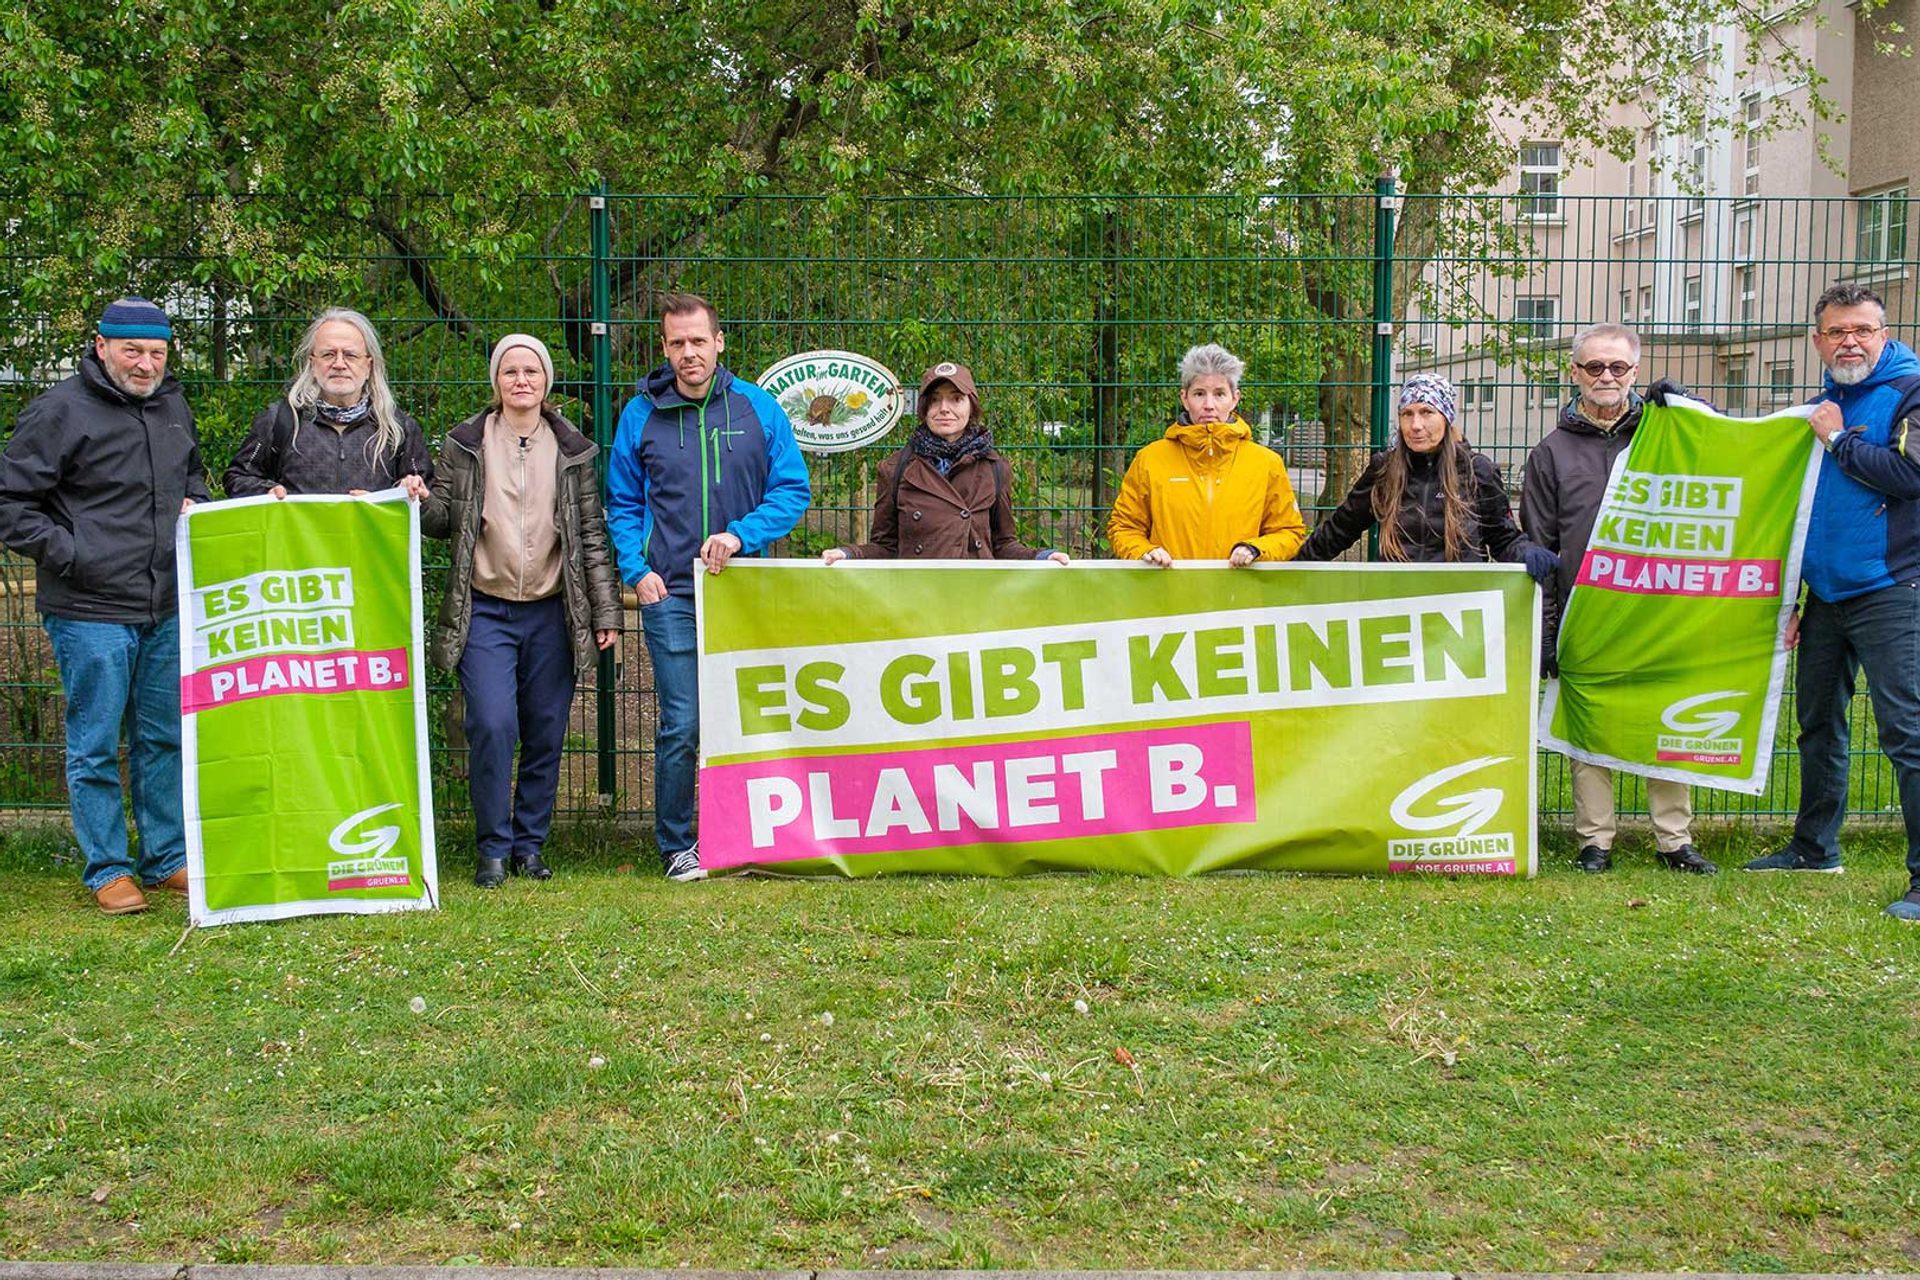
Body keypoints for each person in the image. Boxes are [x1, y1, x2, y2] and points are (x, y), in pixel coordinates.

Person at [0, 298, 210, 914]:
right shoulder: (59, 411)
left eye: (156, 353)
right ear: (101, 346)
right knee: (94, 741)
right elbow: (12, 503)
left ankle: (166, 856)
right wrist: (71, 553)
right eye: (132, 351)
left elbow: (190, 475)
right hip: (89, 608)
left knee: (162, 737)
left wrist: (193, 501)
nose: (145, 364)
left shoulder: (173, 406)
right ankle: (107, 867)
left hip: (163, 604)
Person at [605, 293, 811, 881]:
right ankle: (677, 845)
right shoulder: (640, 414)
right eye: (677, 343)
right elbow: (620, 502)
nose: (688, 352)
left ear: (719, 342)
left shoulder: (758, 408)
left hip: (743, 591)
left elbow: (793, 491)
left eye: (699, 340)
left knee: (749, 719)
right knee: (684, 722)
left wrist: (742, 535)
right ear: (664, 348)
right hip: (668, 591)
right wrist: (634, 570)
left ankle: (752, 832)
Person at [1742, 284, 1920, 920]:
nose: (1850, 341)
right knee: (1819, 723)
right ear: (1818, 340)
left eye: (1862, 330)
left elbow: (1912, 476)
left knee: (1907, 733)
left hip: (1893, 588)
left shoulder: (1909, 391)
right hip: (1825, 596)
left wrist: (1841, 440)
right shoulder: (1823, 403)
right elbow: (1798, 511)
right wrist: (1794, 595)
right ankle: (1814, 847)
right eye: (1836, 331)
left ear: (1884, 332)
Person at [419, 334, 621, 888]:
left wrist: (605, 613)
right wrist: (418, 500)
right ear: (496, 381)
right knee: (490, 722)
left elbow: (592, 537)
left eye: (531, 370)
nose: (521, 380)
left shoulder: (574, 449)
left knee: (546, 728)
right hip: (484, 609)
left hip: (553, 611)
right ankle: (492, 847)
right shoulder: (464, 445)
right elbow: (440, 522)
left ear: (546, 381)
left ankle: (529, 846)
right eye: (510, 371)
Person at [1520, 323, 1717, 875]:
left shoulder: (1668, 432)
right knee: (1590, 723)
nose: (1606, 377)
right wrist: (1550, 630)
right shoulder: (1550, 453)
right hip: (1587, 611)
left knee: (1664, 720)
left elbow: (1730, 452)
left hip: (1659, 608)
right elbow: (1541, 547)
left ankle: (1674, 839)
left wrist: (1689, 403)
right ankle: (1594, 841)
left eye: (1619, 367)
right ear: (1574, 372)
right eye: (1594, 367)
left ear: (1637, 371)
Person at [1296, 373, 1557, 580]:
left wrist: (1525, 552)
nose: (1416, 425)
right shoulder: (1383, 470)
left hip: (1459, 607)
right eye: (1407, 414)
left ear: (1446, 418)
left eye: (1427, 412)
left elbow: (1502, 538)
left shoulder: (1477, 471)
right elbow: (1340, 530)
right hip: (1394, 603)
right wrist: (1288, 570)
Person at [822, 361, 1068, 565]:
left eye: (956, 399)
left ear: (971, 406)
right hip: (918, 598)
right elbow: (885, 547)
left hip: (975, 598)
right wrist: (849, 554)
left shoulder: (995, 468)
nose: (944, 409)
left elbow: (1003, 545)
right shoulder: (895, 469)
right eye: (935, 400)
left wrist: (1041, 557)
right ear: (924, 408)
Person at [1106, 343, 1305, 566]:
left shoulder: (1266, 463)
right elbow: (1124, 527)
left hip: (1240, 596)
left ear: (1235, 398)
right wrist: (1145, 551)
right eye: (1199, 394)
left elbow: (1289, 532)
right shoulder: (1150, 460)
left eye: (1219, 394)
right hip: (1167, 594)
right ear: (1184, 398)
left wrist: (1256, 549)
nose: (1209, 405)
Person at [224, 308, 432, 498]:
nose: (339, 364)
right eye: (328, 354)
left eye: (350, 355)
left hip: (369, 540)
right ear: (312, 363)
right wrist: (267, 491)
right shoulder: (280, 420)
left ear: (368, 366)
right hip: (296, 540)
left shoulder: (398, 428)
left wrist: (407, 491)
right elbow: (238, 478)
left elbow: (427, 501)